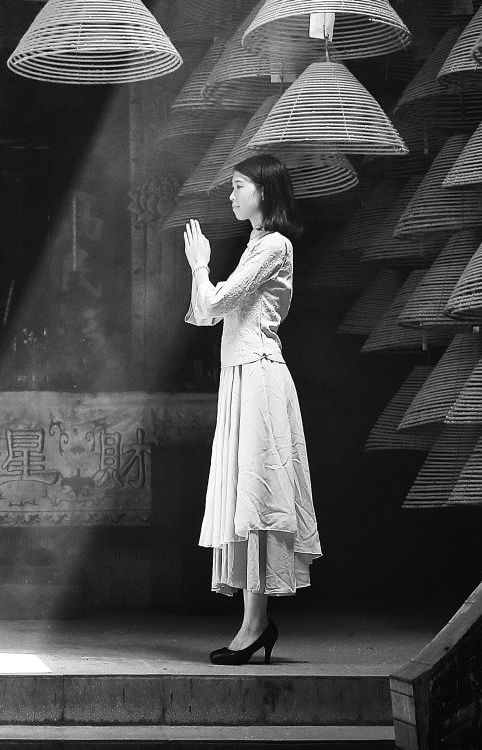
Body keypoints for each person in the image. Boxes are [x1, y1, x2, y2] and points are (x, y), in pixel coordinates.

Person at [181, 152, 322, 666]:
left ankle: (255, 623)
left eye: (239, 185)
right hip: (241, 377)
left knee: (259, 496)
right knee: (246, 497)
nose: (232, 194)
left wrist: (200, 265)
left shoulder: (275, 245)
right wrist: (202, 275)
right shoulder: (255, 246)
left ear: (264, 191)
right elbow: (206, 313)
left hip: (260, 378)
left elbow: (216, 302)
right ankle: (253, 621)